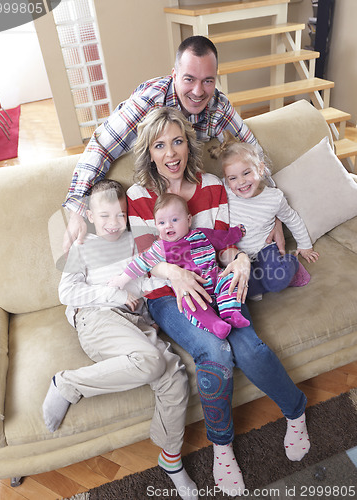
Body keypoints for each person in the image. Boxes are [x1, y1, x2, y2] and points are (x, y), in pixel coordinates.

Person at [126, 107, 310, 497]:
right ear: (150, 152)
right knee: (215, 350)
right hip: (169, 295)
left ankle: (295, 410)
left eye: (177, 141)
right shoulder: (139, 196)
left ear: (188, 144)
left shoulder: (212, 185)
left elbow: (228, 245)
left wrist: (241, 261)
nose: (170, 153)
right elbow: (147, 260)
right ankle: (222, 448)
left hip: (218, 284)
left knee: (250, 347)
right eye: (160, 145)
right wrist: (175, 274)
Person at [43, 179, 198, 500]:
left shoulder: (132, 243)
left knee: (173, 374)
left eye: (120, 216)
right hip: (95, 315)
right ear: (89, 215)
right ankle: (67, 384)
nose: (113, 224)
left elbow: (140, 282)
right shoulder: (82, 246)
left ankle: (170, 457)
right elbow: (67, 292)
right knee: (151, 360)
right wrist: (112, 293)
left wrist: (165, 279)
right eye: (104, 217)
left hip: (134, 320)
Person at [62, 35, 267, 255]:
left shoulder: (218, 106)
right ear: (175, 75)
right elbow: (101, 147)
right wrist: (77, 211)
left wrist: (268, 211)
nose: (198, 91)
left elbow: (254, 154)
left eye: (207, 80)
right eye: (189, 79)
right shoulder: (147, 103)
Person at [109, 192, 250, 339]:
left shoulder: (201, 234)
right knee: (187, 302)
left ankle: (232, 314)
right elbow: (141, 263)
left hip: (215, 278)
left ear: (189, 220)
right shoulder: (160, 247)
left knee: (230, 279)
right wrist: (122, 278)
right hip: (191, 287)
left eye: (175, 219)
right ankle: (215, 325)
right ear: (156, 225)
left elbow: (222, 238)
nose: (168, 225)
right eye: (161, 223)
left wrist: (237, 232)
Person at [210, 132, 319, 300]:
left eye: (246, 173)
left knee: (277, 281)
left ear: (260, 169)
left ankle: (292, 265)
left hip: (265, 249)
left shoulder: (274, 198)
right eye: (233, 177)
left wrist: (305, 245)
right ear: (226, 180)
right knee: (238, 288)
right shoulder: (225, 191)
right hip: (238, 254)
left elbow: (291, 218)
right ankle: (259, 284)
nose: (241, 182)